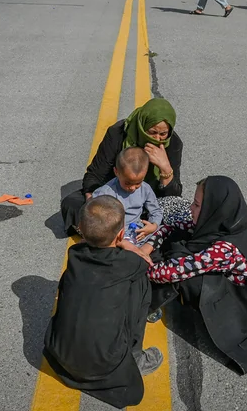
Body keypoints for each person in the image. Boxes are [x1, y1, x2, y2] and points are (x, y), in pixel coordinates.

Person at [139, 177, 247, 374]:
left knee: (187, 277)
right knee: (179, 242)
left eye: (197, 204)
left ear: (213, 208)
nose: (190, 208)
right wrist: (149, 245)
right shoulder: (232, 224)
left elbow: (169, 273)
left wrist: (139, 266)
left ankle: (148, 305)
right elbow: (173, 228)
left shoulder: (224, 249)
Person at [44, 196, 163, 408]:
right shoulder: (128, 263)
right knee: (140, 284)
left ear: (80, 228)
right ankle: (135, 356)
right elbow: (145, 262)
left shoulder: (74, 255)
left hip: (60, 354)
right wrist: (128, 245)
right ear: (120, 233)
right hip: (104, 364)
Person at [60, 98, 183, 236]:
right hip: (113, 197)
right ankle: (109, 232)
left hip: (147, 201)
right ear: (141, 126)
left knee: (180, 211)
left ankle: (107, 233)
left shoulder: (173, 144)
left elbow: (174, 195)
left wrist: (165, 168)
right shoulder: (118, 133)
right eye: (152, 132)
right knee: (72, 204)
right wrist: (94, 207)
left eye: (163, 134)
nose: (157, 139)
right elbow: (94, 175)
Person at [92, 147, 163, 243]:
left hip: (139, 233)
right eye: (127, 183)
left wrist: (153, 226)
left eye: (138, 183)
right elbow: (95, 218)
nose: (133, 188)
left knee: (165, 231)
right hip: (115, 237)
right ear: (117, 172)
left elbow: (155, 211)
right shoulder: (106, 193)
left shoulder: (145, 189)